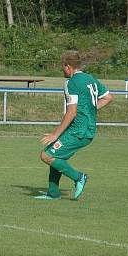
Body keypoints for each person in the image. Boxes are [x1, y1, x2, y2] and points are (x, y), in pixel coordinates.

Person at [37, 50, 113, 200]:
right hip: (85, 128)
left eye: (62, 67)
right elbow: (108, 98)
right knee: (55, 154)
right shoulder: (90, 79)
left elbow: (71, 112)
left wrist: (55, 134)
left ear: (67, 66)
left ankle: (79, 177)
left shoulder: (72, 82)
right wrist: (90, 109)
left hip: (79, 130)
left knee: (46, 155)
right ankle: (53, 193)